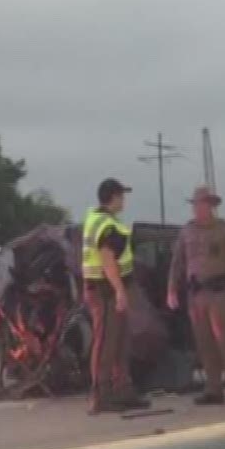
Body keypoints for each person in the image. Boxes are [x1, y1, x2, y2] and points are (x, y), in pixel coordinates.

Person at [166, 185, 225, 407]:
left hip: (219, 294)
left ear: (211, 206)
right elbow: (177, 263)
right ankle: (213, 389)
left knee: (224, 342)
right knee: (204, 344)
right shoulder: (187, 231)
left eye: (202, 204)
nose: (198, 208)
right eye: (195, 204)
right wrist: (171, 289)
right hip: (196, 294)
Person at [81, 177, 147, 414]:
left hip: (105, 290)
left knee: (119, 343)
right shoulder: (107, 225)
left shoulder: (99, 220)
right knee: (106, 343)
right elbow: (108, 259)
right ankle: (100, 395)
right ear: (113, 197)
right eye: (122, 196)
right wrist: (119, 291)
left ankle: (122, 391)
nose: (124, 200)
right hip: (105, 292)